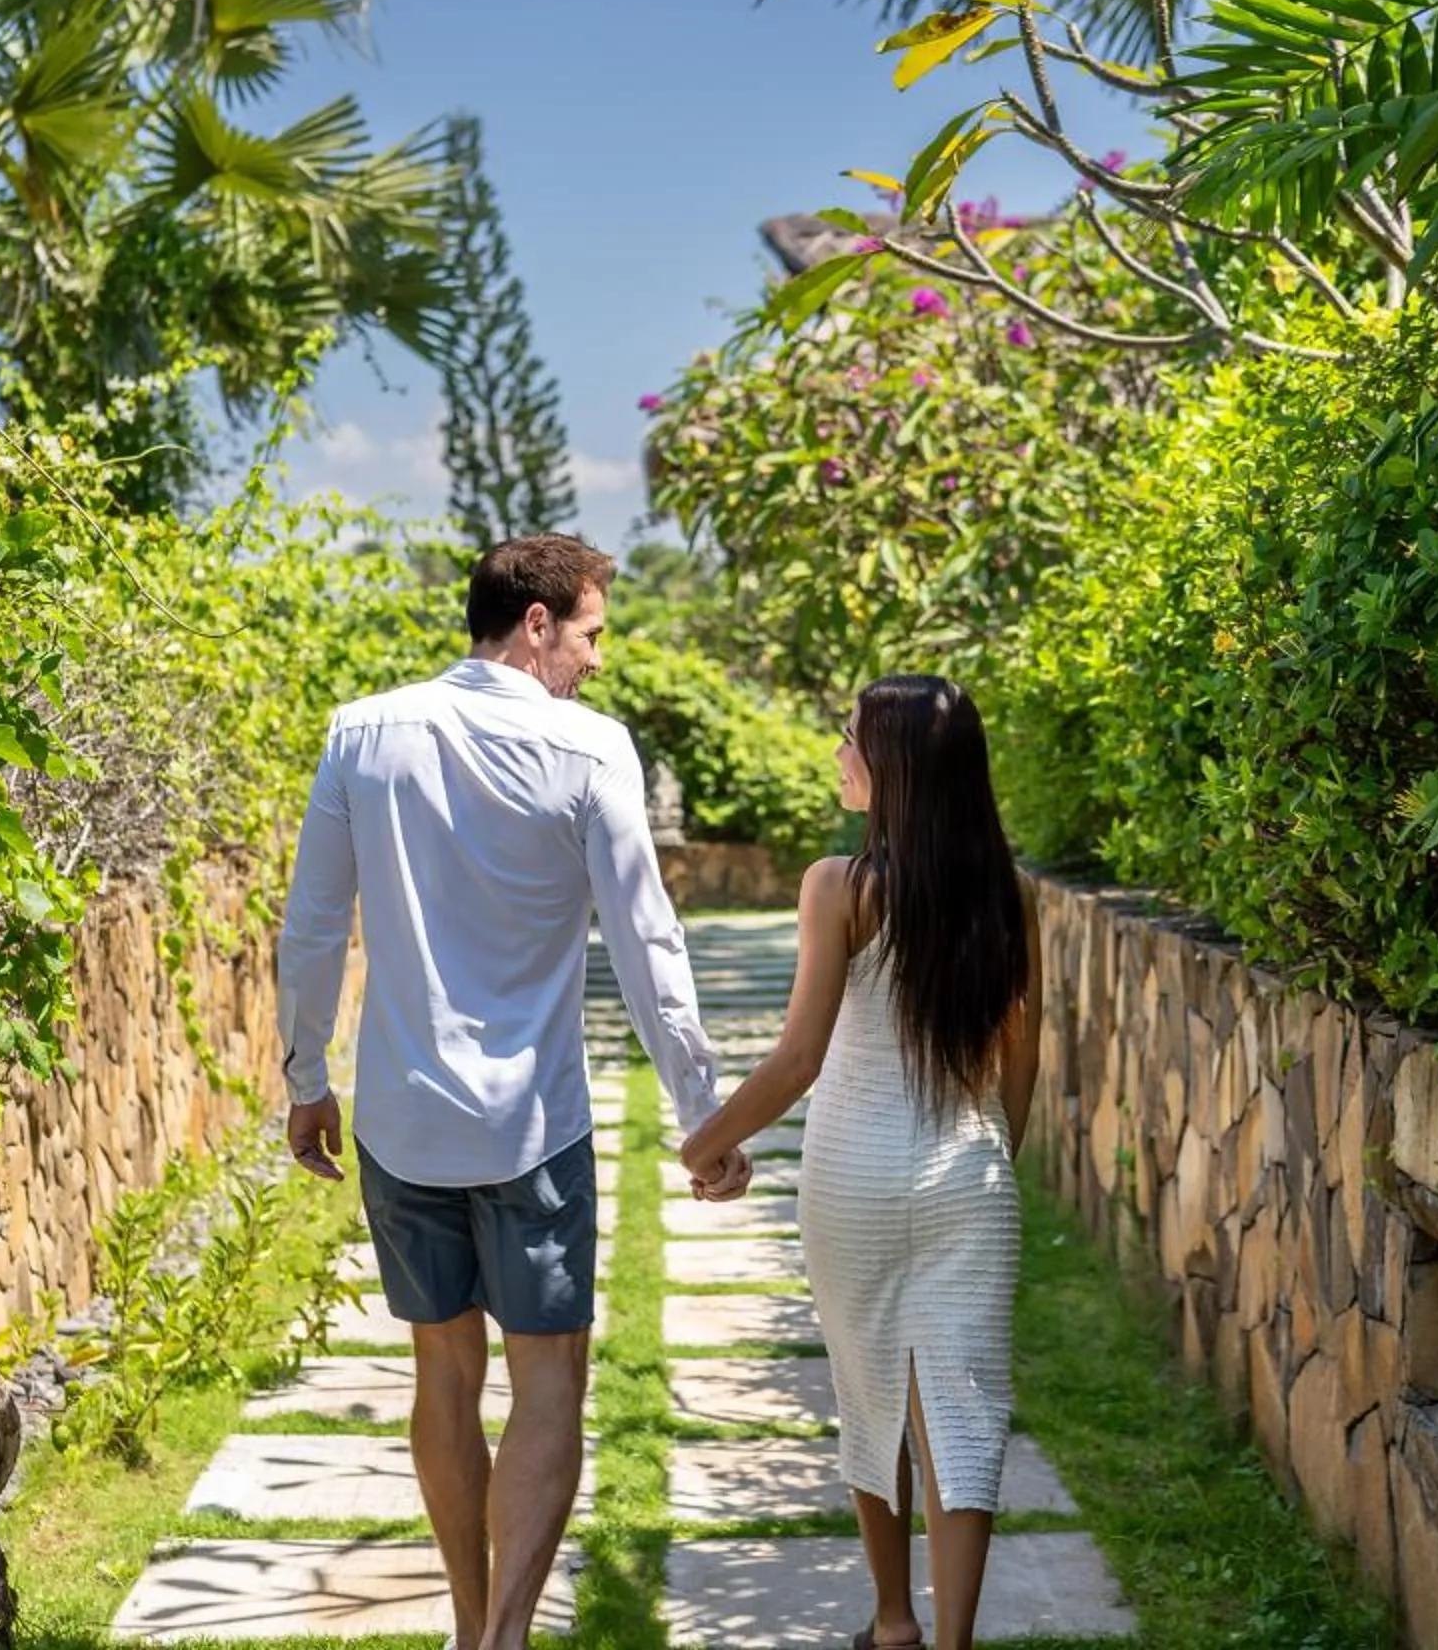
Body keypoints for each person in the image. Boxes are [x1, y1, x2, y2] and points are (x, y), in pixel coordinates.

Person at [276, 532, 752, 1650]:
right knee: (550, 1381)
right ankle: (503, 1638)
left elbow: (310, 930)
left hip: (399, 1117)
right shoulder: (590, 750)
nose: (597, 657)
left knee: (443, 1367)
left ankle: (464, 1623)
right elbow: (647, 937)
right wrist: (702, 1112)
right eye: (589, 632)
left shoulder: (361, 731)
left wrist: (309, 1078)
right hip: (533, 1125)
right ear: (535, 623)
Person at [677, 675, 1040, 1650]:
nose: (839, 751)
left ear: (896, 771)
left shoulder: (838, 885)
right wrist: (990, 1165)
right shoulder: (1009, 898)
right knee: (963, 1407)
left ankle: (892, 1624)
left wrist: (705, 1138)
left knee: (870, 1390)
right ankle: (954, 1640)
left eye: (851, 737)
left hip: (851, 1179)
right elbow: (1023, 1066)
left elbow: (799, 1057)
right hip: (972, 1177)